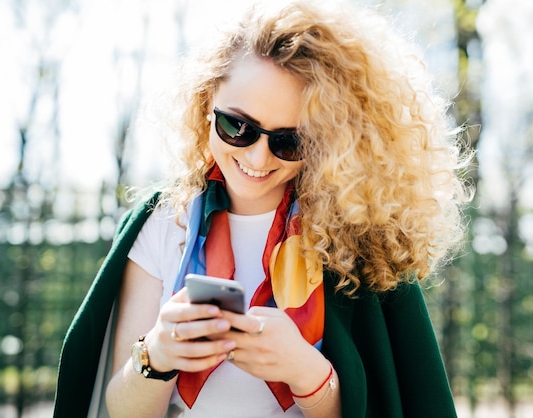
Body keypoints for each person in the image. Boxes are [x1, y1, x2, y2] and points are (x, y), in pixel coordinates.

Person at [53, 0, 470, 417]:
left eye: (291, 141)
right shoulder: (162, 224)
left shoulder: (360, 238)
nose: (257, 159)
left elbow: (390, 402)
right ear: (206, 101)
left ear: (330, 140)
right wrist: (158, 352)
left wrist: (307, 373)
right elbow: (122, 411)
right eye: (237, 127)